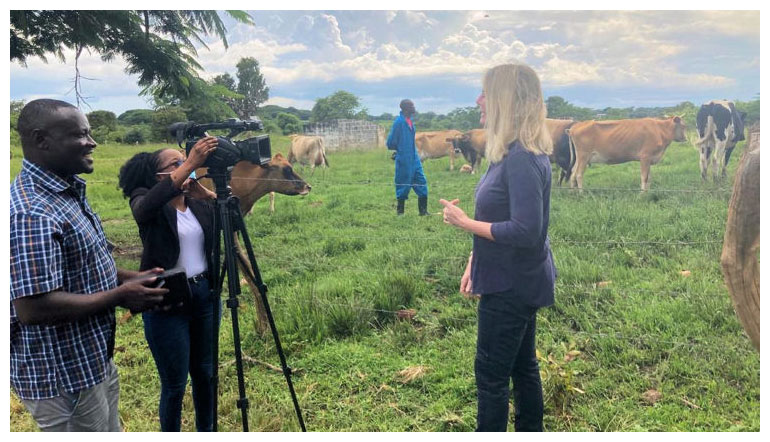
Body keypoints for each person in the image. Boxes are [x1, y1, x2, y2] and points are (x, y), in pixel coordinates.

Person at [10, 99, 169, 432]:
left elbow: (86, 266)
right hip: (62, 376)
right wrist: (120, 295)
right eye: (79, 135)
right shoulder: (30, 212)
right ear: (42, 140)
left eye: (90, 133)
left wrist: (131, 277)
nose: (92, 142)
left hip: (92, 360)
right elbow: (33, 307)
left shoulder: (65, 194)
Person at [439, 63, 556, 432]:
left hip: (511, 285)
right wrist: (475, 258)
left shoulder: (521, 157)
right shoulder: (506, 153)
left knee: (491, 379)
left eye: (486, 93)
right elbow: (500, 214)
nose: (479, 100)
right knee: (523, 368)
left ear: (507, 100)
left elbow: (526, 231)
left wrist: (464, 223)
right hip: (512, 277)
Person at [118, 138, 220, 432]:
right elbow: (142, 209)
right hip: (168, 300)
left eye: (184, 161)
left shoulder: (196, 204)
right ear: (158, 177)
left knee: (205, 375)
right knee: (175, 384)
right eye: (175, 164)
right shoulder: (147, 202)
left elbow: (234, 224)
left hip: (204, 297)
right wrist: (190, 163)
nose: (186, 168)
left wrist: (208, 196)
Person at [387, 99, 429, 216]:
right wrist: (400, 150)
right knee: (403, 183)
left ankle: (423, 211)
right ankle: (400, 213)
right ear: (406, 108)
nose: (414, 107)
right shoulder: (399, 122)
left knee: (421, 181)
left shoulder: (410, 121)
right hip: (404, 159)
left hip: (414, 158)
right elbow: (390, 142)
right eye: (412, 106)